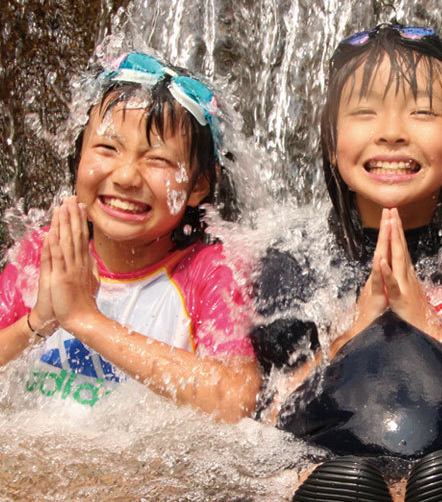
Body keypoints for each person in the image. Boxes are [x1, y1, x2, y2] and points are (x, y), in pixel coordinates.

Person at [252, 24, 442, 501]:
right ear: (332, 143)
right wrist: (355, 331)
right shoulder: (295, 264)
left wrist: (430, 327)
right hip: (335, 478)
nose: (393, 133)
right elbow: (263, 424)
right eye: (364, 112)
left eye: (422, 112)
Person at [0, 52, 260, 422]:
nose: (125, 177)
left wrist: (85, 320)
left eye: (156, 160)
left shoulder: (208, 273)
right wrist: (37, 321)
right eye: (107, 148)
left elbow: (236, 400)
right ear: (78, 158)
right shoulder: (43, 252)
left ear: (199, 185)